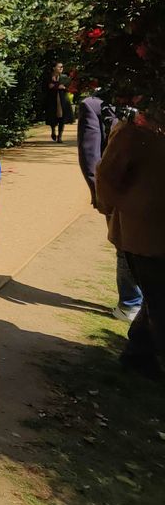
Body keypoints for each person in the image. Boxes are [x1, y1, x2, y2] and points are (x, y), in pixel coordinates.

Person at [96, 114, 165, 380]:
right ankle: (142, 355)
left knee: (156, 298)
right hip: (144, 233)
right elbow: (107, 175)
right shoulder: (137, 128)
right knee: (159, 298)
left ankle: (138, 353)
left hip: (148, 231)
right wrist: (109, 209)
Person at [77, 92, 142, 322]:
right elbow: (90, 154)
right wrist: (100, 194)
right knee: (125, 245)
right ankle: (130, 303)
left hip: (149, 186)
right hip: (118, 189)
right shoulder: (94, 104)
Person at [45, 62, 74, 143]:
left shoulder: (65, 77)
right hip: (51, 100)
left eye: (62, 67)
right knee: (52, 116)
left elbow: (69, 87)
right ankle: (53, 131)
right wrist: (58, 86)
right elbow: (47, 87)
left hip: (62, 100)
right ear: (54, 68)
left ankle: (60, 136)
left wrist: (58, 86)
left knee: (62, 118)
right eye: (59, 67)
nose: (61, 68)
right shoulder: (48, 77)